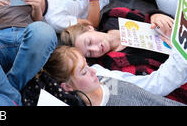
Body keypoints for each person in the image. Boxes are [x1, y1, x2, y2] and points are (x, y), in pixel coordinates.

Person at [60, 7, 187, 104]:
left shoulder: (113, 16)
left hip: (179, 34)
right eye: (89, 53)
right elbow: (156, 83)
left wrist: (156, 15)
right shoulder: (112, 64)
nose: (95, 49)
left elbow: (149, 18)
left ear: (89, 28)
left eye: (90, 42)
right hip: (180, 67)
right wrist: (179, 50)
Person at [36, 46, 184, 106]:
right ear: (67, 87)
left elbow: (152, 89)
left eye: (87, 64)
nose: (92, 71)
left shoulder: (102, 76)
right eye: (83, 71)